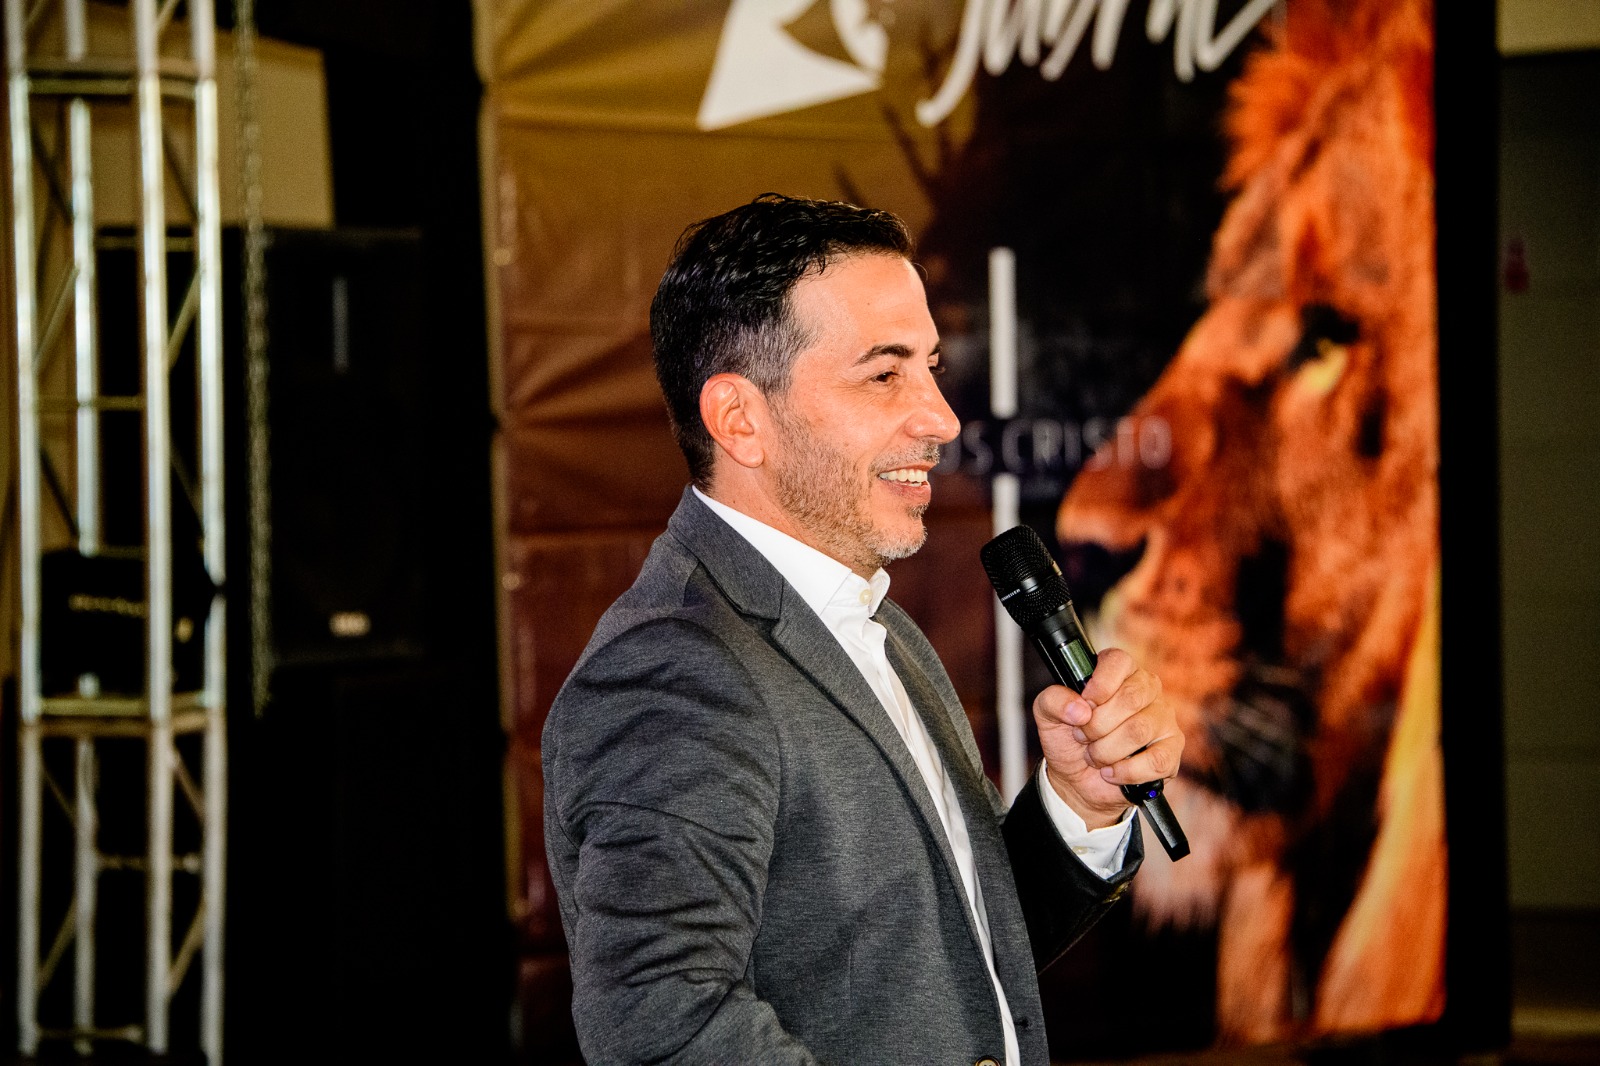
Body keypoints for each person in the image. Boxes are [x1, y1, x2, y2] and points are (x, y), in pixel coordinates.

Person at [541, 194, 1184, 1065]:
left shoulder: (873, 622)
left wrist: (1079, 805)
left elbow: (952, 969)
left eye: (931, 367)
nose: (940, 418)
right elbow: (663, 1029)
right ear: (739, 420)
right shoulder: (674, 669)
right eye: (885, 375)